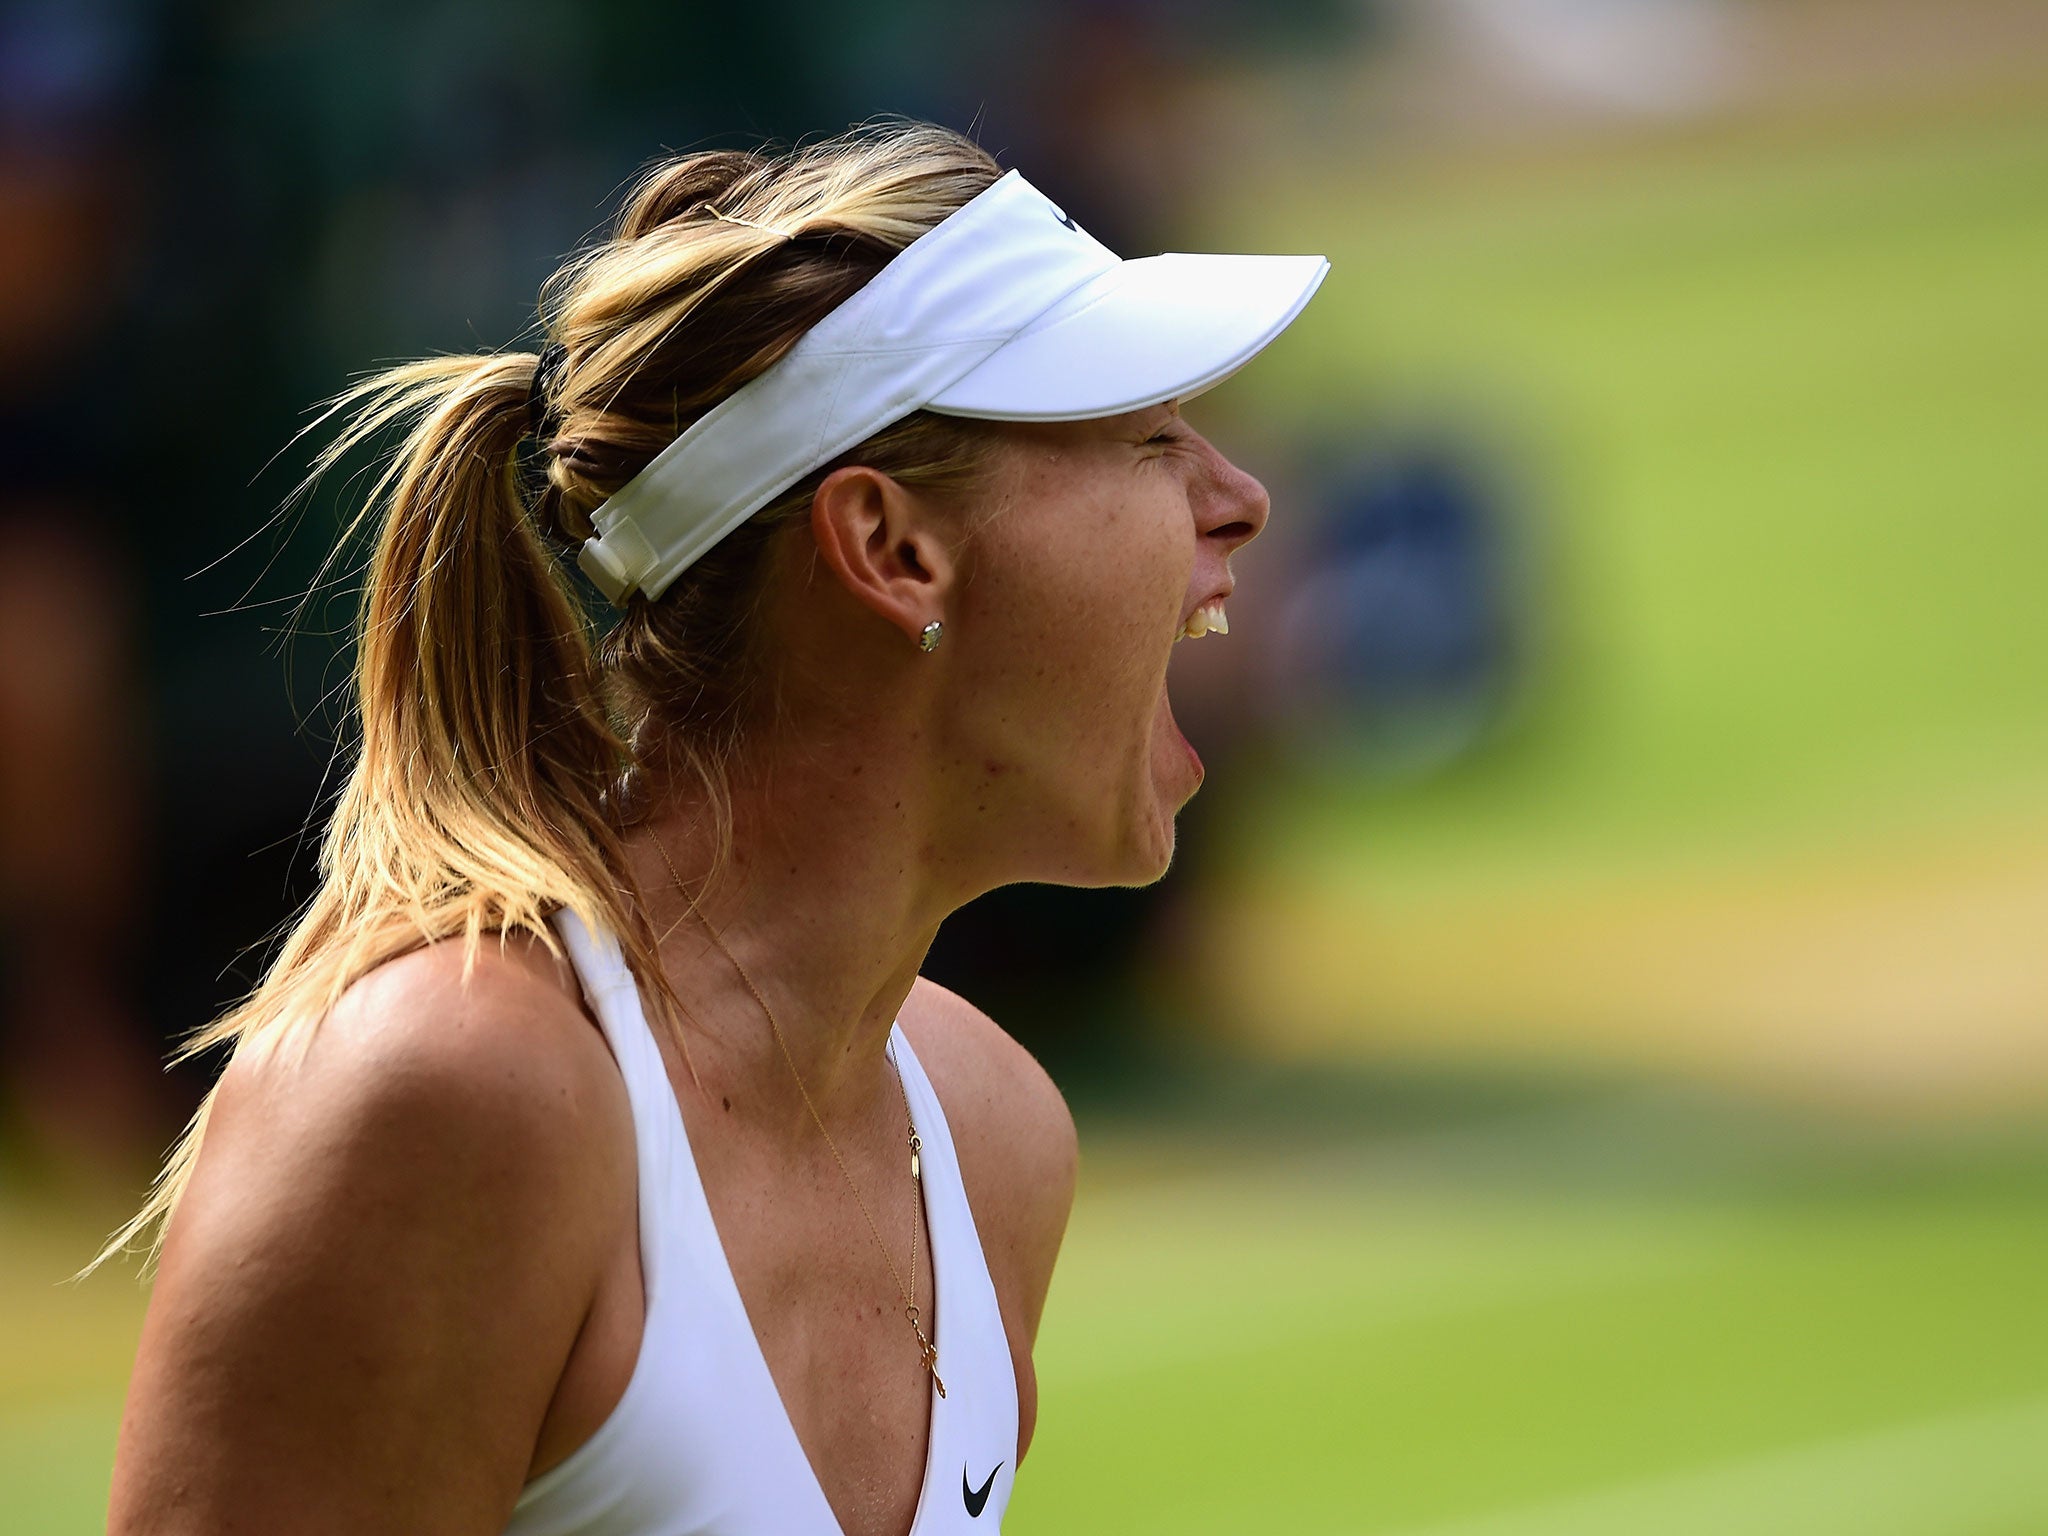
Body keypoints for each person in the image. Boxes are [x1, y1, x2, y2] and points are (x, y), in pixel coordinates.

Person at [101, 120, 1327, 1536]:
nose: (1238, 500)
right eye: (1151, 436)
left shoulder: (994, 1136)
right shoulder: (449, 1092)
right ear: (891, 549)